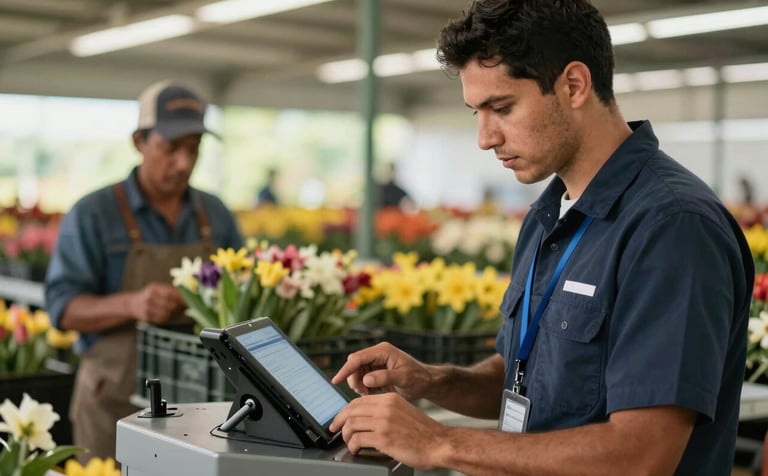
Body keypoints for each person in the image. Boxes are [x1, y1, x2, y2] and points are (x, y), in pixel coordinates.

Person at [330, 1, 754, 474]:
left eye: (502, 107)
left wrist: (439, 442)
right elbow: (527, 380)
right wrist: (433, 380)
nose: (485, 138)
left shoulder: (671, 227)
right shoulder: (547, 215)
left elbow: (643, 454)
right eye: (476, 112)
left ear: (574, 85)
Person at [45, 80, 243, 462]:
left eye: (193, 149)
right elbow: (63, 308)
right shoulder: (93, 215)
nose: (184, 163)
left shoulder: (215, 215)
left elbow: (243, 295)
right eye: (171, 148)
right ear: (139, 140)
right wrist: (131, 304)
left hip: (200, 406)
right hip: (112, 404)